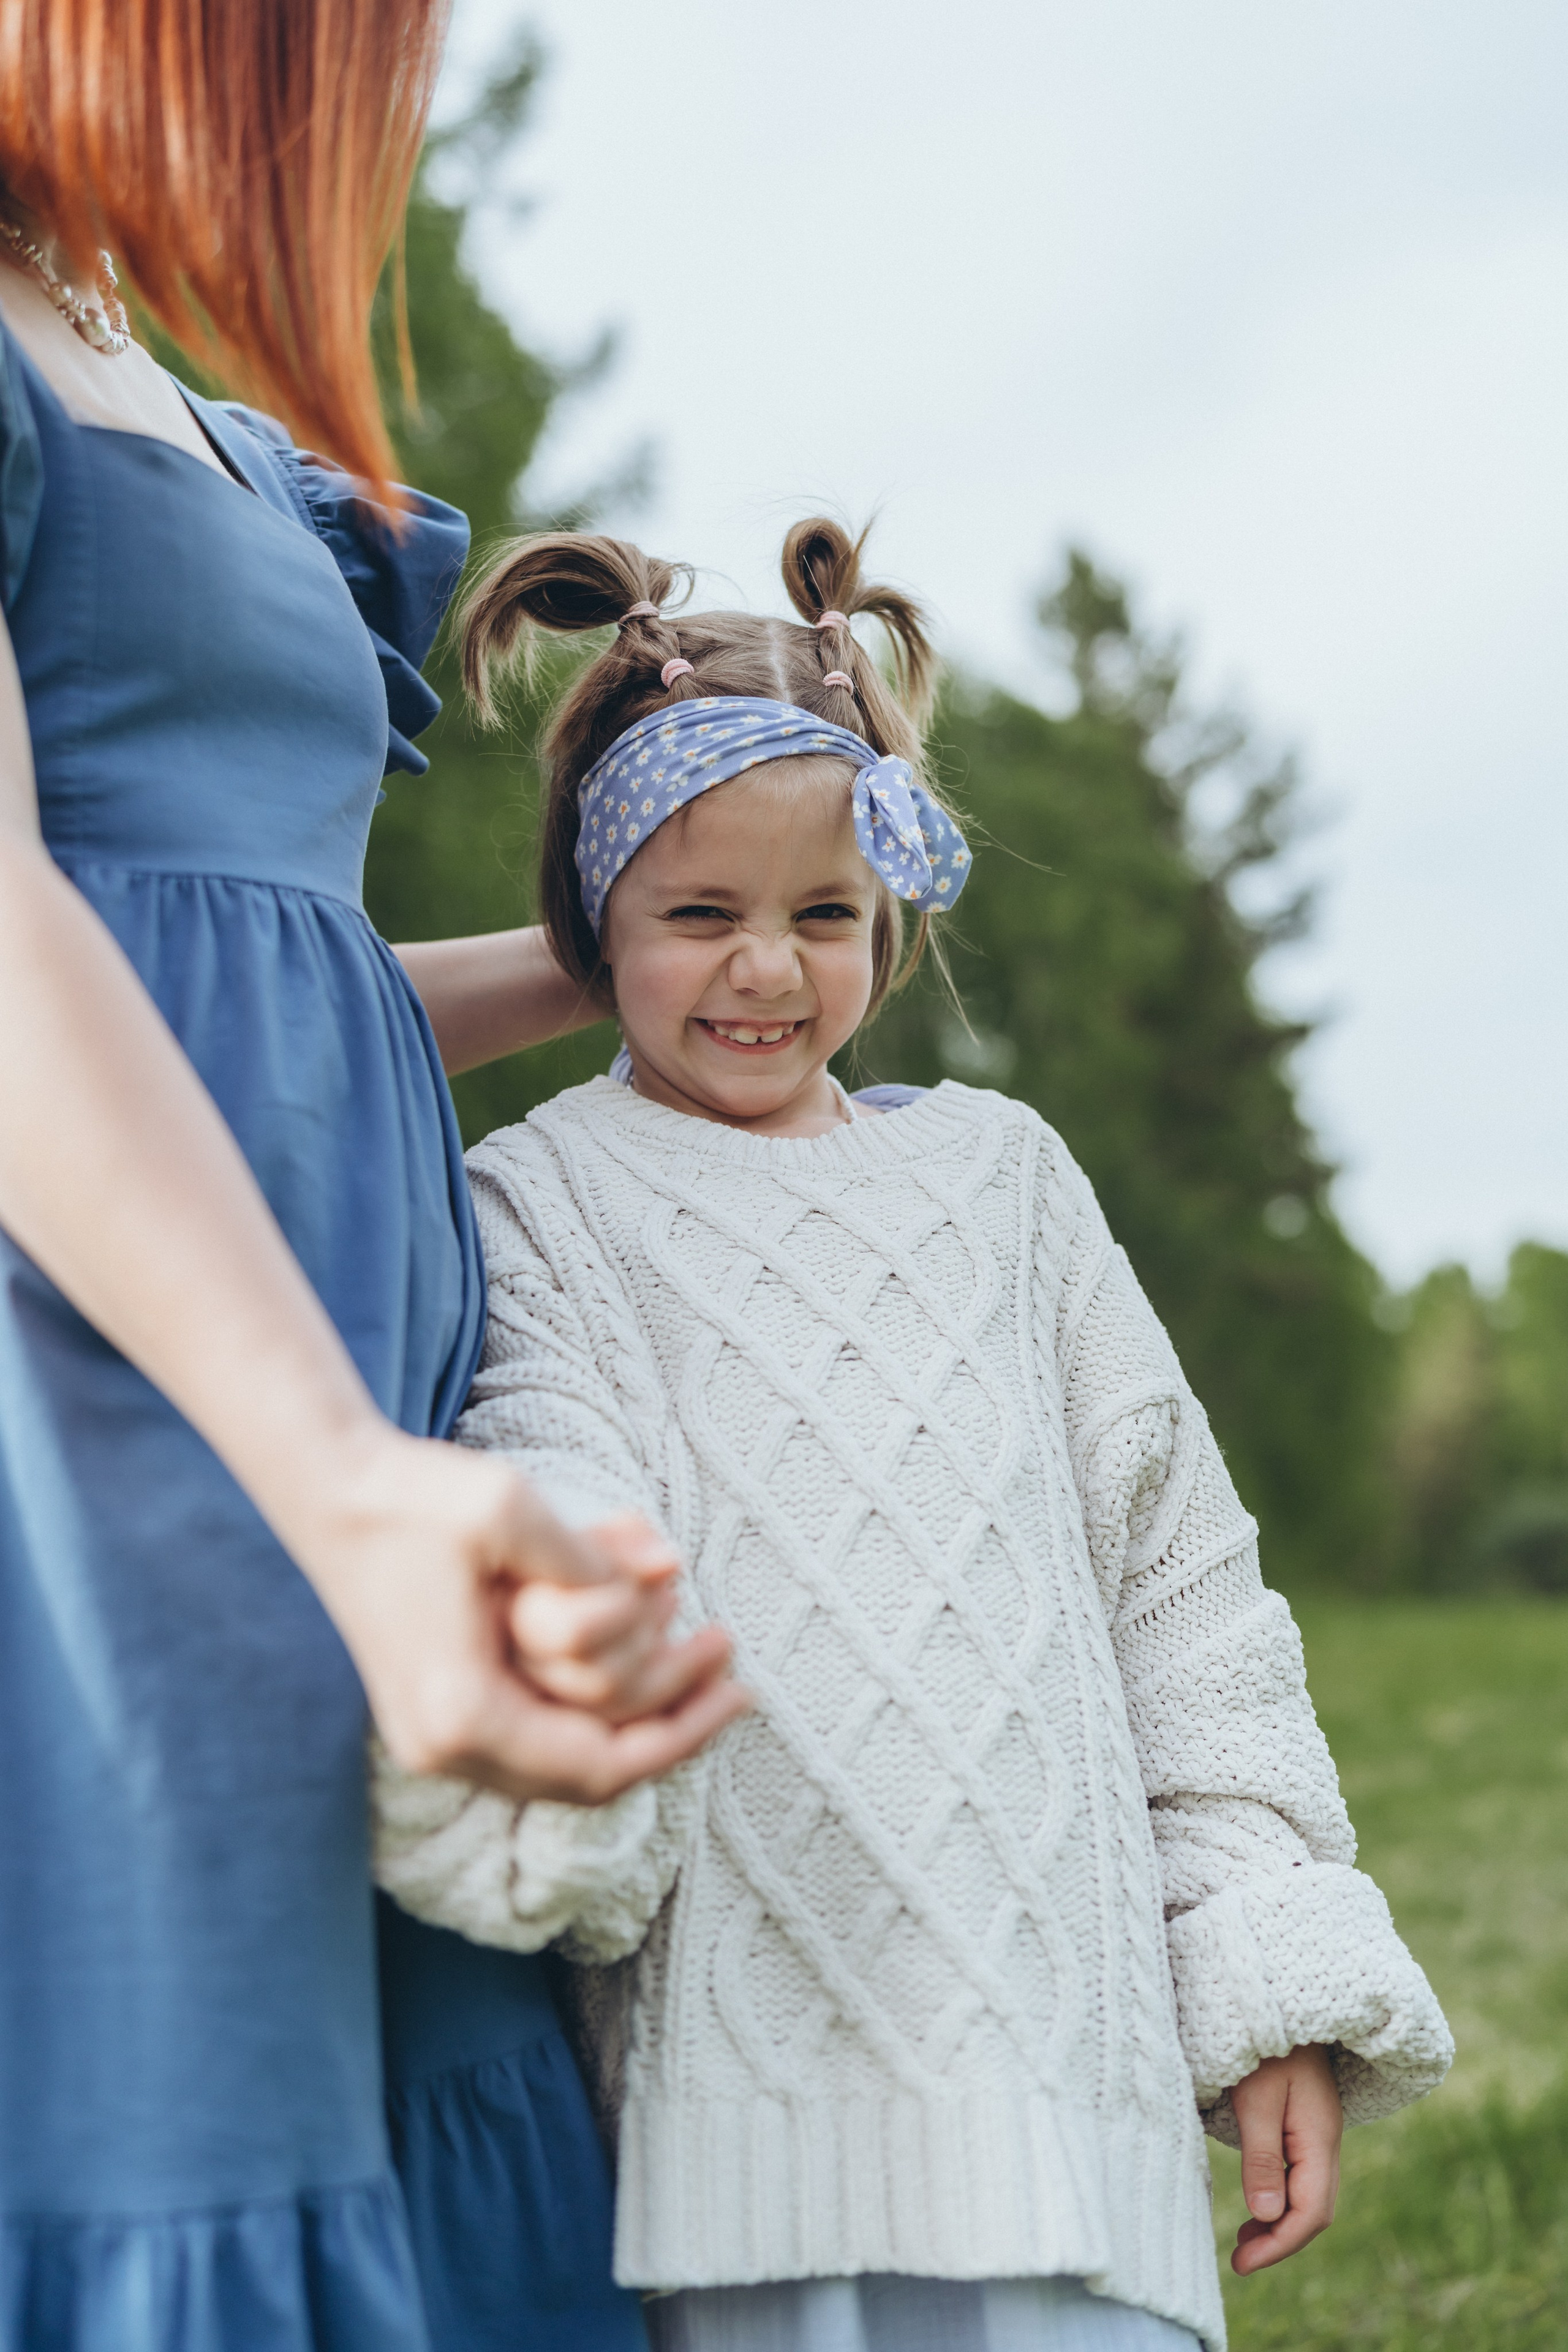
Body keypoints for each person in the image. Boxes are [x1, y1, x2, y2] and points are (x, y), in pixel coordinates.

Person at [372, 519, 1456, 2352]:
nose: (767, 975)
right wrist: (562, 1627)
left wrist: (1270, 1973)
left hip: (1066, 2083)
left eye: (825, 918)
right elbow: (552, 1484)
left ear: (894, 916)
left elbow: (1183, 1594)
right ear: (592, 923)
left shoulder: (1003, 1183)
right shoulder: (537, 1202)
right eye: (698, 915)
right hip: (750, 2114)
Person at [0, 7, 742, 2348]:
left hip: (359, 1412)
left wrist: (650, 932)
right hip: (114, 1410)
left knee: (417, 2100)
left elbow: (261, 968)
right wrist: (326, 1478)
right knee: (190, 2106)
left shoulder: (188, 402)